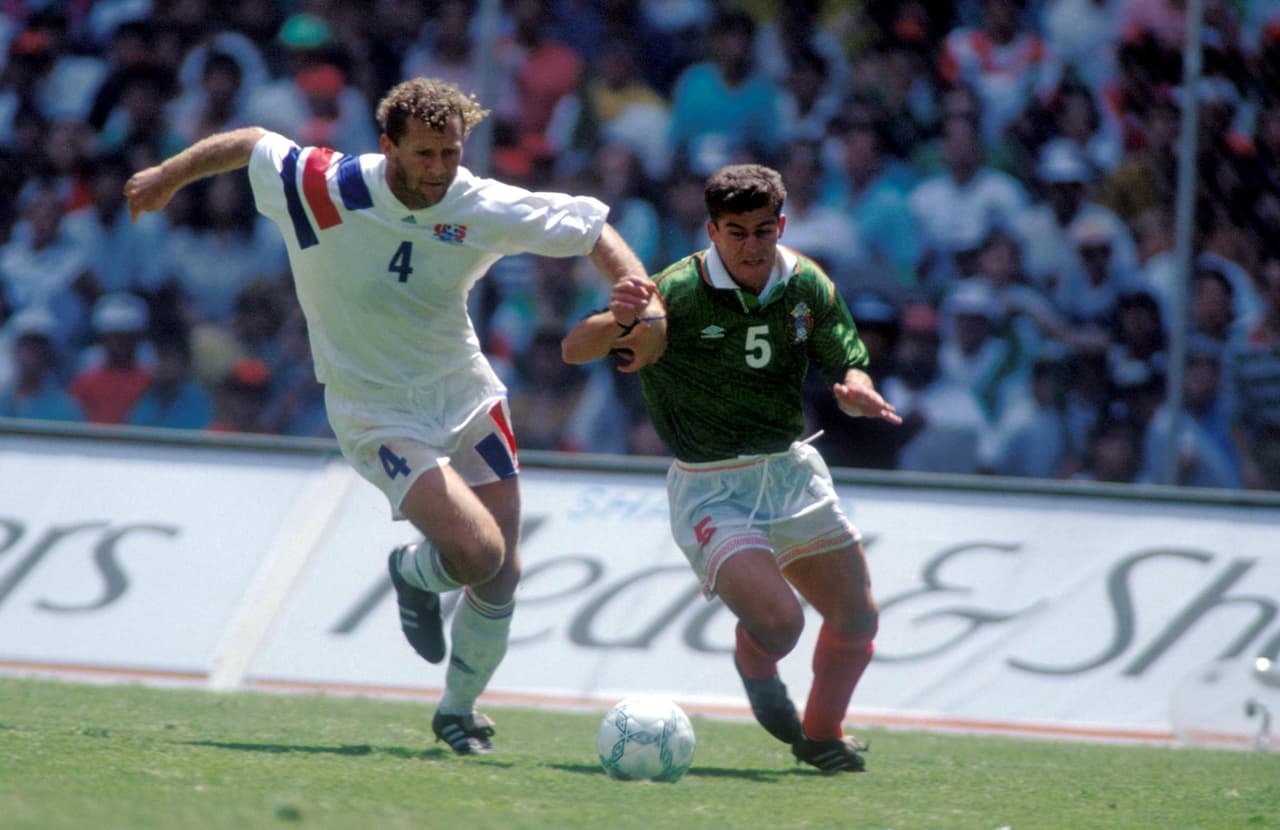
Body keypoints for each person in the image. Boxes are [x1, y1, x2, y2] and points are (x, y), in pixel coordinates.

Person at [124, 77, 648, 755]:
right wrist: (167, 176)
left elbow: (589, 228)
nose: (438, 170)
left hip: (465, 395)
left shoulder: (476, 202)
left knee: (503, 571)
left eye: (449, 154)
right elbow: (251, 142)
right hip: (375, 413)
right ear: (386, 146)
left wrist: (636, 293)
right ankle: (413, 571)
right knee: (477, 552)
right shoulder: (323, 185)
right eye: (424, 154)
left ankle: (458, 713)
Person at [561, 164, 901, 773]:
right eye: (736, 232)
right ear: (712, 230)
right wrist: (617, 318)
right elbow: (573, 349)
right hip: (711, 488)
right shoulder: (676, 291)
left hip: (791, 472)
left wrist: (856, 388)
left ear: (781, 226)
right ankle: (755, 663)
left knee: (858, 617)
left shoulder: (808, 285)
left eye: (763, 231)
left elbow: (847, 359)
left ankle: (822, 738)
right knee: (782, 623)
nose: (751, 247)